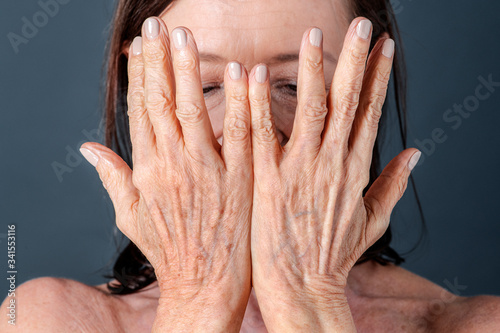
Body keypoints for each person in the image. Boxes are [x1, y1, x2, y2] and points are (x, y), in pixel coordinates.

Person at [2, 0, 499, 331]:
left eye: (294, 87)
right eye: (206, 87)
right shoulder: (47, 319)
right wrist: (198, 299)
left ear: (367, 82)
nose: (247, 128)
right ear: (140, 85)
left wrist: (310, 300)